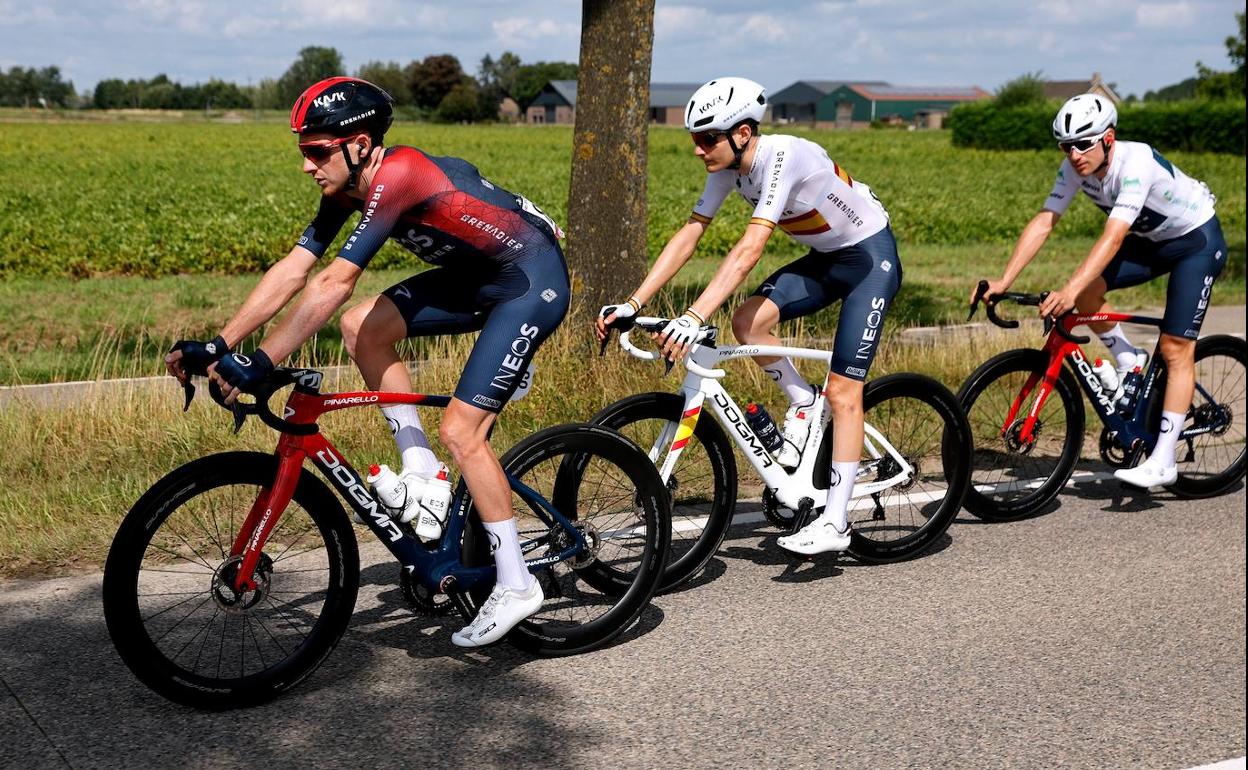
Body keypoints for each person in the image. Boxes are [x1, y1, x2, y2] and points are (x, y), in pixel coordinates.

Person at [165, 77, 570, 646]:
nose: (307, 165)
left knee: (462, 431)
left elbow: (335, 281)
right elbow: (295, 269)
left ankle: (515, 582)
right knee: (361, 327)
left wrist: (262, 360)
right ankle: (423, 474)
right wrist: (222, 344)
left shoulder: (400, 174)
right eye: (302, 151)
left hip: (528, 283)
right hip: (475, 279)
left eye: (317, 150)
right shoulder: (344, 188)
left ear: (359, 143)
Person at [594, 77, 902, 556]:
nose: (698, 150)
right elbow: (690, 233)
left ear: (742, 133)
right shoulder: (727, 168)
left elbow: (751, 247)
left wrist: (694, 316)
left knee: (844, 392)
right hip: (826, 258)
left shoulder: (783, 156)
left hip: (868, 260)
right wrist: (634, 303)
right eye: (693, 139)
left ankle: (836, 523)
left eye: (707, 139)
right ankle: (803, 401)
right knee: (747, 323)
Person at [975, 94, 1226, 489]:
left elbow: (1112, 238)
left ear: (1108, 138)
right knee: (1090, 295)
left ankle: (1163, 461)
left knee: (1176, 346)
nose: (1074, 154)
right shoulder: (1075, 168)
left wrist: (1070, 289)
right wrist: (1004, 279)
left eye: (1083, 143)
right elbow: (1045, 221)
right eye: (1066, 146)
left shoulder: (1135, 164)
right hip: (1150, 241)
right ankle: (1129, 360)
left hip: (1194, 240)